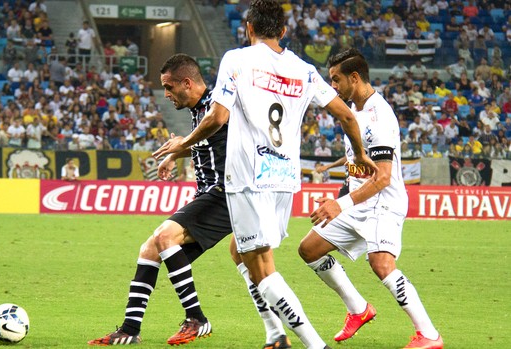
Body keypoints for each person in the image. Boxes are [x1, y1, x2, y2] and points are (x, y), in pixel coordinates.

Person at [153, 1, 374, 348]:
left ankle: (312, 343)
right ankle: (275, 336)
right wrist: (360, 154)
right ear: (283, 31)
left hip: (247, 178)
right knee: (241, 254)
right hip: (284, 179)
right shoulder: (304, 69)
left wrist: (185, 141)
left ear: (249, 29)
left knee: (262, 269)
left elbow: (216, 118)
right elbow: (347, 115)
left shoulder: (237, 60)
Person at [89, 53, 288, 349]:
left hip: (226, 192)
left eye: (169, 88)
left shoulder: (216, 105)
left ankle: (196, 319)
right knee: (151, 248)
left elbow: (215, 122)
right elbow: (207, 137)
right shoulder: (200, 114)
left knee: (165, 236)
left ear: (187, 82)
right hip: (211, 193)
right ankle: (130, 328)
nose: (166, 94)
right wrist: (175, 154)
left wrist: (183, 142)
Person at [299, 48, 443, 349]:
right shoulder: (355, 113)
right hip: (358, 200)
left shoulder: (378, 116)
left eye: (336, 80)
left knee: (381, 264)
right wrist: (341, 194)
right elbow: (358, 159)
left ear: (355, 77)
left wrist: (340, 203)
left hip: (383, 202)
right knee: (309, 249)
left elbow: (383, 177)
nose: (333, 87)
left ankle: (429, 335)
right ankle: (358, 309)